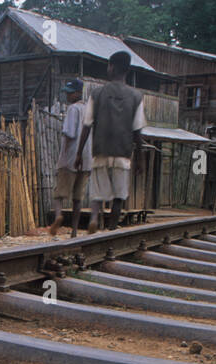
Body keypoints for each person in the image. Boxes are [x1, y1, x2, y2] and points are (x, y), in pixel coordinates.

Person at [75, 51, 144, 231]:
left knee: (98, 193)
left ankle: (94, 220)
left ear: (111, 67)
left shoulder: (97, 94)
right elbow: (137, 131)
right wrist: (140, 159)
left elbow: (87, 125)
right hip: (122, 154)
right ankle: (112, 229)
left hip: (100, 151)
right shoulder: (137, 97)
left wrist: (79, 154)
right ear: (127, 70)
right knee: (119, 196)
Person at [48, 78, 91, 237]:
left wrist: (63, 157)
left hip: (71, 157)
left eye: (70, 93)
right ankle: (74, 231)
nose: (67, 96)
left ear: (78, 93)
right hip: (86, 161)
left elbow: (69, 134)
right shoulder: (89, 109)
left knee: (59, 195)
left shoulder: (73, 109)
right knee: (77, 199)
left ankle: (59, 216)